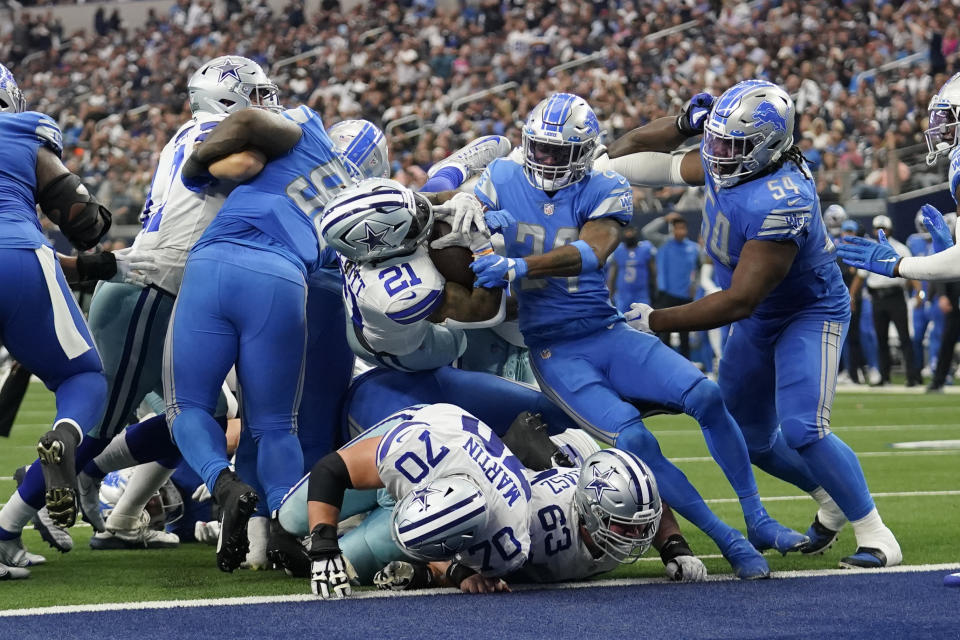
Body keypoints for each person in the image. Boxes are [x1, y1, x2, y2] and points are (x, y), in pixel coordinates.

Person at [469, 92, 806, 580]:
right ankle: (725, 536)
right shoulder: (501, 176)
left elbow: (592, 252)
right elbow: (462, 224)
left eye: (557, 153)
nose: (544, 162)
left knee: (708, 396)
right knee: (635, 440)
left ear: (585, 152)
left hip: (605, 329)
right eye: (538, 149)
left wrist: (517, 262)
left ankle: (756, 516)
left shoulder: (605, 183)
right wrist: (475, 223)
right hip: (554, 347)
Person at [603, 80, 901, 568]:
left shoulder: (781, 197)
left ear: (766, 147)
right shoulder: (737, 156)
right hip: (761, 317)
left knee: (805, 427)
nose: (717, 153)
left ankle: (877, 534)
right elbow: (655, 162)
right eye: (715, 140)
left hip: (807, 311)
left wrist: (655, 319)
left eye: (729, 145)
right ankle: (830, 499)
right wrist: (612, 160)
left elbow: (739, 300)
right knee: (750, 436)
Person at [165, 102, 353, 573]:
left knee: (185, 404)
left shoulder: (306, 125)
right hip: (284, 280)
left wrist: (194, 168)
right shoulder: (359, 199)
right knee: (276, 426)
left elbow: (247, 122)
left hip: (218, 259)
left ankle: (220, 482)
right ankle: (289, 531)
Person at [0, 63, 121, 577]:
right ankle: (66, 437)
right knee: (81, 376)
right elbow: (79, 217)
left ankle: (4, 536)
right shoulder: (20, 131)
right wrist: (92, 235)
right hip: (18, 254)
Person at [303, 403, 532, 598]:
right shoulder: (415, 449)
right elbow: (329, 471)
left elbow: (453, 555)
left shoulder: (506, 544)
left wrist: (459, 572)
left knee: (346, 561)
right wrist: (323, 543)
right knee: (294, 518)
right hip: (428, 443)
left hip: (451, 476)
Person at [319, 178, 504, 372]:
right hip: (401, 351)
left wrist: (463, 200)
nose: (422, 214)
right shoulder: (409, 291)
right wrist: (482, 247)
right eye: (412, 224)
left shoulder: (353, 230)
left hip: (362, 314)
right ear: (387, 244)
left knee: (441, 212)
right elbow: (485, 311)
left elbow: (426, 200)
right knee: (462, 341)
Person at [848, 215, 920, 387]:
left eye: (884, 228)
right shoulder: (871, 249)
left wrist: (919, 292)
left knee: (904, 337)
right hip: (877, 298)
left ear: (890, 229)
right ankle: (884, 376)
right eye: (877, 228)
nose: (881, 231)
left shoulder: (901, 248)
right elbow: (861, 275)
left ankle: (912, 376)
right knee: (881, 339)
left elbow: (912, 271)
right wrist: (851, 295)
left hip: (896, 295)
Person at [653, 216, 699, 357]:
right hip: (666, 295)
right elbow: (647, 232)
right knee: (664, 334)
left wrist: (694, 285)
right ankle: (665, 365)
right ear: (672, 230)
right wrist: (663, 219)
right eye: (677, 228)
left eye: (682, 228)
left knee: (684, 336)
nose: (680, 231)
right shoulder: (663, 242)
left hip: (685, 296)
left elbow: (698, 269)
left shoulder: (694, 248)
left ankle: (687, 368)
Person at [606, 225, 657, 312]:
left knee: (644, 321)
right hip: (622, 295)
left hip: (641, 294)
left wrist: (655, 289)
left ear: (635, 232)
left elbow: (654, 272)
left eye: (631, 232)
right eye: (627, 232)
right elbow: (612, 274)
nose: (629, 234)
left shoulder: (645, 248)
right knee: (622, 321)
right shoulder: (618, 250)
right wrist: (610, 293)